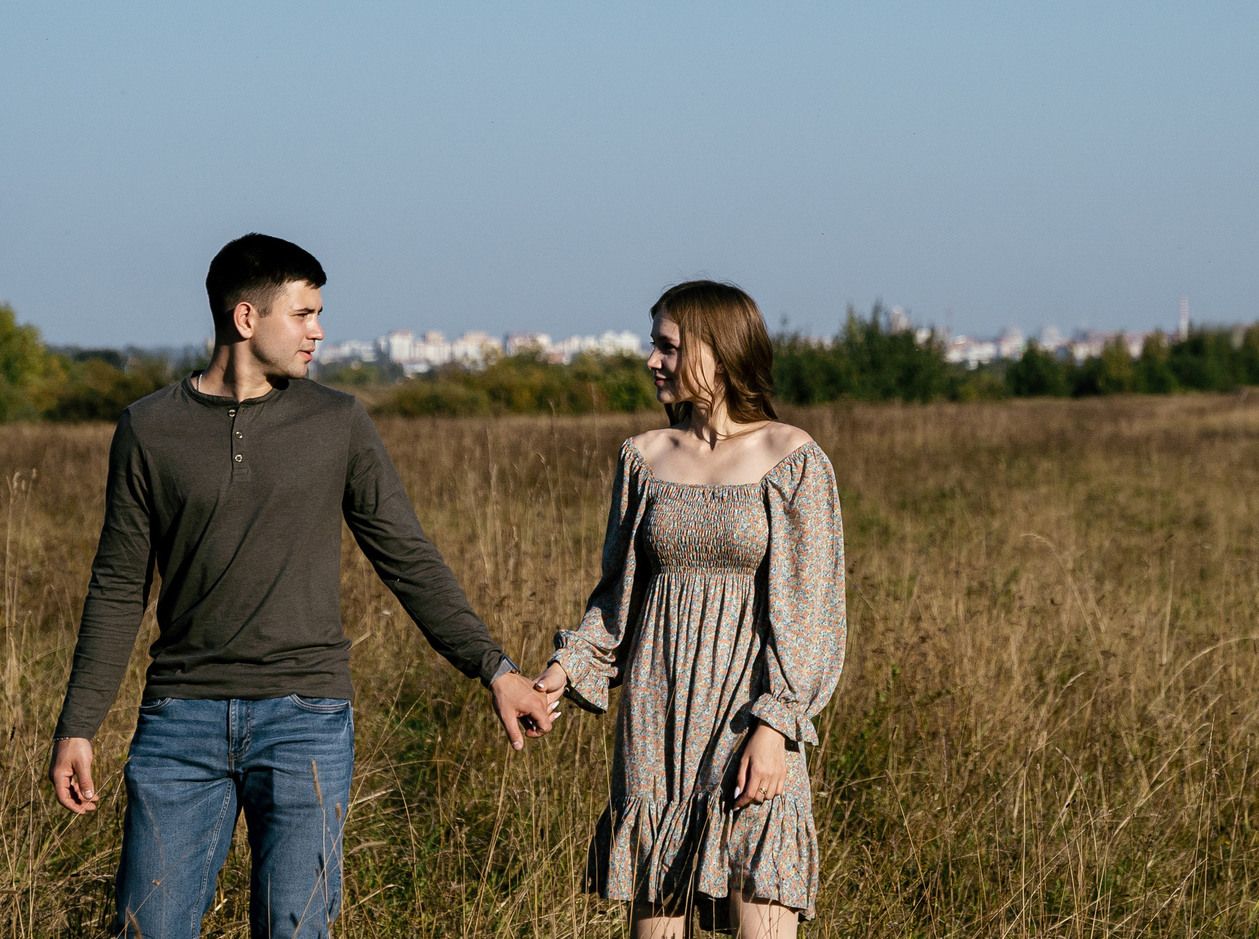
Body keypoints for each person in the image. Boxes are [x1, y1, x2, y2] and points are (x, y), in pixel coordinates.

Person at [47, 233, 557, 939]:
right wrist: (79, 722)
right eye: (305, 313)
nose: (319, 330)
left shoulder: (337, 420)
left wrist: (493, 666)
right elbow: (117, 584)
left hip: (305, 719)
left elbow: (406, 555)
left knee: (295, 929)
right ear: (247, 318)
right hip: (179, 720)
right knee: (149, 927)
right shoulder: (148, 427)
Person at [535, 280, 847, 937]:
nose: (653, 359)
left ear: (718, 349)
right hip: (656, 720)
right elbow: (619, 597)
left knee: (759, 914)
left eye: (668, 346)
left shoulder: (792, 459)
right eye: (655, 344)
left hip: (750, 722)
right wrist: (566, 667)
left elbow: (813, 613)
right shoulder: (642, 459)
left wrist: (776, 728)